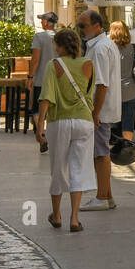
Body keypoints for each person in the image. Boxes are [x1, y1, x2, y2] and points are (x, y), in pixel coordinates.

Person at [35, 28, 96, 232]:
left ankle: (57, 214)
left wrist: (39, 126)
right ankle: (75, 218)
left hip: (59, 122)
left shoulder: (54, 66)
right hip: (84, 121)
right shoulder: (89, 64)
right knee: (79, 168)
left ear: (59, 46)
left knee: (58, 168)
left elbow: (46, 97)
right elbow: (90, 94)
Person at [76, 9, 119, 211]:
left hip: (99, 110)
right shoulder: (103, 45)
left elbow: (101, 84)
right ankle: (107, 195)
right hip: (102, 108)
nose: (80, 30)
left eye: (83, 26)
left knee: (100, 153)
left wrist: (95, 113)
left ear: (96, 26)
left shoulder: (100, 48)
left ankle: (102, 196)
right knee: (101, 151)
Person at [108, 20, 135, 163]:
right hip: (131, 90)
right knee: (128, 119)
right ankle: (126, 150)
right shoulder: (133, 48)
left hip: (114, 91)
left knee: (112, 120)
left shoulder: (109, 49)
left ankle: (110, 149)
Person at [29, 11, 58, 152]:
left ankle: (41, 135)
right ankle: (52, 136)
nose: (41, 22)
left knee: (37, 110)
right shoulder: (60, 37)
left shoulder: (39, 37)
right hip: (58, 81)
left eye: (42, 20)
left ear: (46, 22)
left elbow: (35, 60)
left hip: (41, 79)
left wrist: (30, 77)